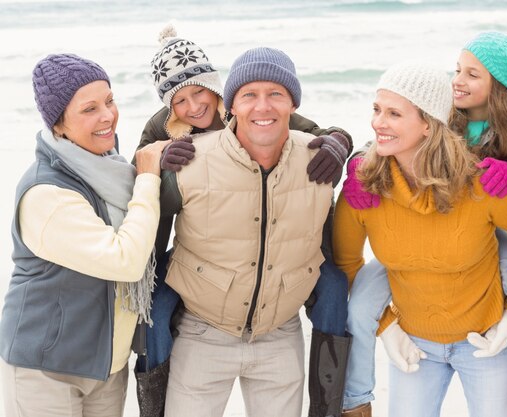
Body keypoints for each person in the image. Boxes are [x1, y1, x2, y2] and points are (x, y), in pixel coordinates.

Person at [136, 27, 353, 417]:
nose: (193, 106)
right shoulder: (162, 128)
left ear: (217, 90)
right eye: (180, 101)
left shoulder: (255, 105)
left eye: (199, 92)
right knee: (157, 302)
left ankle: (337, 404)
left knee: (334, 285)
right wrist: (164, 157)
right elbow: (143, 171)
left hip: (285, 244)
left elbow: (320, 133)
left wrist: (342, 141)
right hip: (201, 253)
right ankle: (154, 402)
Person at [339, 32, 507, 416]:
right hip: (417, 341)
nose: (378, 123)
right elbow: (347, 262)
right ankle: (355, 403)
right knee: (361, 305)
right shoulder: (441, 121)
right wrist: (387, 326)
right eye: (376, 110)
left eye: (473, 74)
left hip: (484, 321)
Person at [0, 54, 169, 417]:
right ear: (58, 124)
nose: (107, 116)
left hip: (106, 365)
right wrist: (149, 179)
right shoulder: (47, 192)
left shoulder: (109, 168)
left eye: (109, 100)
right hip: (48, 369)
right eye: (89, 108)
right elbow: (125, 260)